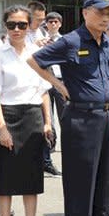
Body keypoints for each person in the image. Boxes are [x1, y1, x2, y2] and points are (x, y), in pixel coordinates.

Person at [29, 0, 109, 216]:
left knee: (104, 183)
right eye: (100, 12)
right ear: (85, 12)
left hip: (104, 119)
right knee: (81, 185)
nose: (106, 17)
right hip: (80, 118)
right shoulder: (71, 41)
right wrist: (58, 85)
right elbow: (34, 60)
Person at [0, 5, 53, 216]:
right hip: (8, 116)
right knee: (6, 180)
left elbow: (44, 90)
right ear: (5, 26)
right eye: (12, 24)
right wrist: (2, 128)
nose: (17, 29)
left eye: (22, 25)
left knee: (31, 181)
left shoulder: (37, 52)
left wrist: (47, 122)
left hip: (33, 116)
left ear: (29, 26)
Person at [41, 11, 64, 177]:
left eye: (56, 22)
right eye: (50, 22)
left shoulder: (64, 41)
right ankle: (47, 160)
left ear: (60, 24)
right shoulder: (40, 40)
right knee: (47, 120)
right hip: (45, 80)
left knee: (65, 118)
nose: (53, 24)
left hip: (61, 81)